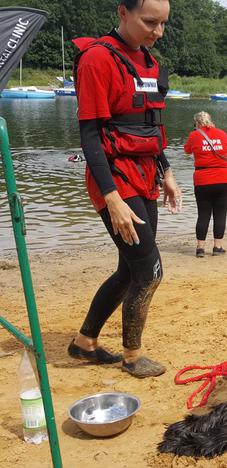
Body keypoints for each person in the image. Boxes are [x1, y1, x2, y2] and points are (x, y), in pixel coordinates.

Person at [67, 0, 181, 378]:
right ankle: (133, 356)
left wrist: (166, 171)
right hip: (115, 179)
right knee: (148, 271)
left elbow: (150, 125)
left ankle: (84, 343)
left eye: (163, 24)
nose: (157, 32)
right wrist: (111, 197)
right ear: (123, 12)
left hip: (146, 176)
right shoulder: (98, 60)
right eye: (150, 22)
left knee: (129, 269)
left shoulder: (149, 63)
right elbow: (89, 135)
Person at [184, 111, 227, 257]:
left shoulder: (194, 135)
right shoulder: (222, 133)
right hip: (223, 178)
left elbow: (187, 150)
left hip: (203, 179)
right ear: (210, 121)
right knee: (220, 213)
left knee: (203, 214)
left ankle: (200, 248)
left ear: (197, 123)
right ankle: (217, 247)